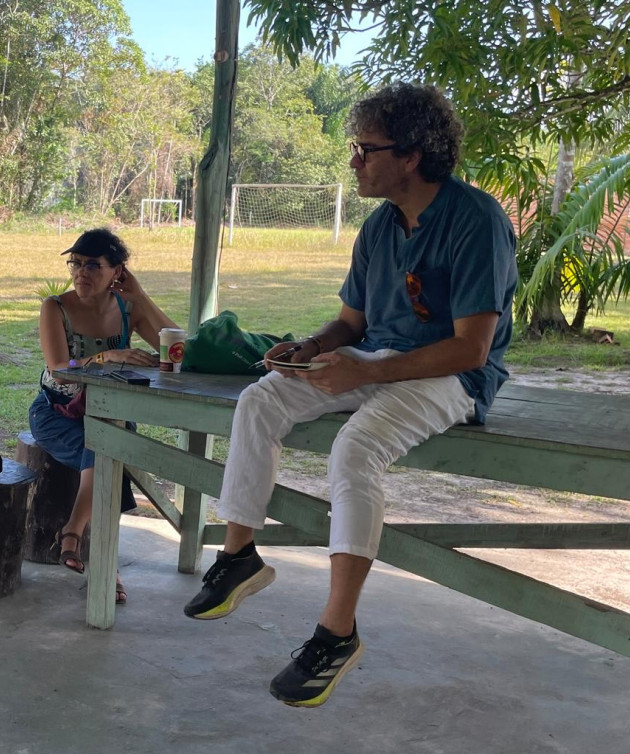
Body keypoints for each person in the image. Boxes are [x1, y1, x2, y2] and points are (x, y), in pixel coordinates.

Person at [184, 83, 517, 707]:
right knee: (260, 399)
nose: (354, 161)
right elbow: (351, 323)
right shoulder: (380, 226)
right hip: (376, 360)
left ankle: (336, 633)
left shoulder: (476, 221)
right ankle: (239, 556)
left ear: (411, 155)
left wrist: (364, 373)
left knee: (355, 450)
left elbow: (471, 349)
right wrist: (311, 348)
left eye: (366, 149)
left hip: (451, 378)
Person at [29, 228, 179, 603]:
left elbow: (178, 349)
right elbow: (60, 369)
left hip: (111, 414)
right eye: (76, 263)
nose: (81, 272)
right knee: (105, 453)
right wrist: (107, 356)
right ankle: (97, 556)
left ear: (117, 271)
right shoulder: (55, 307)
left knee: (108, 444)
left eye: (94, 265)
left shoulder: (128, 308)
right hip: (57, 414)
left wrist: (140, 297)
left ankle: (76, 538)